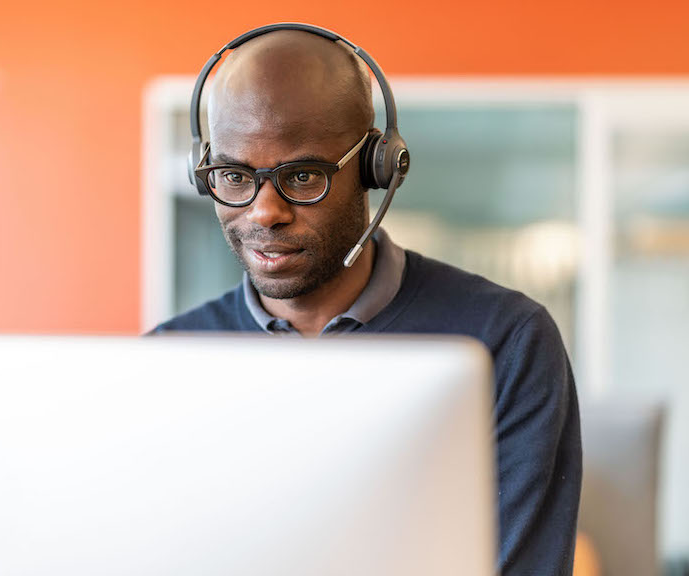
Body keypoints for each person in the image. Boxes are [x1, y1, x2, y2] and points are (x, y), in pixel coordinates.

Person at [152, 27, 581, 576]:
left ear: (377, 167)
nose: (264, 212)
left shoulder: (504, 340)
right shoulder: (167, 361)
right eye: (234, 176)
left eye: (302, 176)